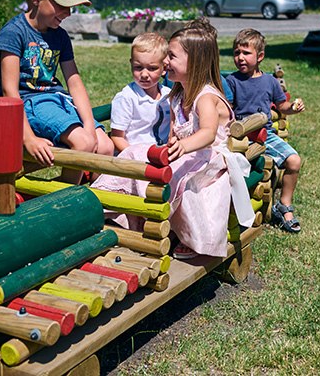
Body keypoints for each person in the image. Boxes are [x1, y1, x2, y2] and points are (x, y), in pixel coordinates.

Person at [91, 21, 254, 259]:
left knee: (178, 177)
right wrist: (170, 147)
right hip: (185, 153)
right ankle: (103, 202)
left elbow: (208, 133)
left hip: (209, 159)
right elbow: (174, 131)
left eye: (172, 56)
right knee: (136, 154)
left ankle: (168, 224)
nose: (165, 61)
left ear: (194, 63)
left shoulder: (205, 97)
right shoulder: (177, 93)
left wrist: (184, 146)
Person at [0, 0, 113, 183]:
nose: (67, 13)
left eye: (71, 7)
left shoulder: (60, 35)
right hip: (31, 104)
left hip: (58, 100)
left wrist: (88, 125)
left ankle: (93, 202)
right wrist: (28, 139)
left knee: (105, 145)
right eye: (62, 5)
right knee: (84, 143)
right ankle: (63, 206)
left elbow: (74, 82)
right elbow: (9, 92)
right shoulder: (13, 34)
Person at [225, 28, 306, 233]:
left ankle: (284, 204)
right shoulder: (231, 81)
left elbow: (281, 106)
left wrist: (293, 107)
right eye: (236, 53)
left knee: (294, 160)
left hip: (265, 135)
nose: (240, 57)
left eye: (246, 53)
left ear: (260, 56)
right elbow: (227, 111)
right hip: (240, 136)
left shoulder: (269, 81)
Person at [109, 32, 171, 152]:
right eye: (138, 67)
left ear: (164, 68)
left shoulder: (168, 95)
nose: (144, 74)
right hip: (135, 157)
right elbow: (117, 137)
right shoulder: (127, 97)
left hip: (163, 154)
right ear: (131, 64)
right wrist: (136, 156)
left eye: (152, 68)